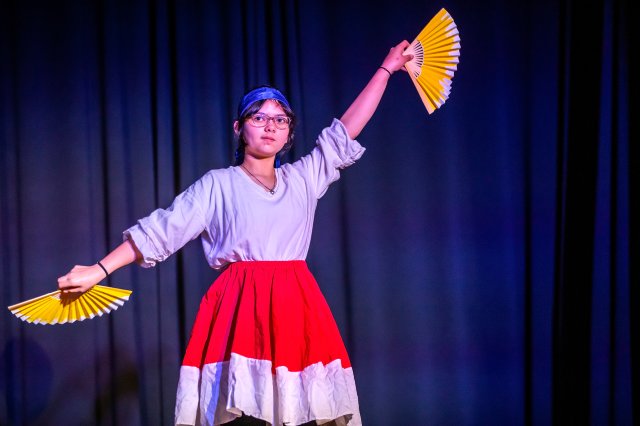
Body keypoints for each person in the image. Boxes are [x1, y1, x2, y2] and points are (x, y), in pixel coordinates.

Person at [58, 41, 412, 426]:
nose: (270, 126)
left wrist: (386, 70)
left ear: (289, 132)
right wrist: (100, 269)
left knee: (302, 411)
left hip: (296, 305)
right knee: (243, 410)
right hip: (240, 309)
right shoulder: (218, 185)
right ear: (239, 128)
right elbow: (160, 231)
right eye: (259, 117)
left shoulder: (303, 178)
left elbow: (345, 131)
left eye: (280, 120)